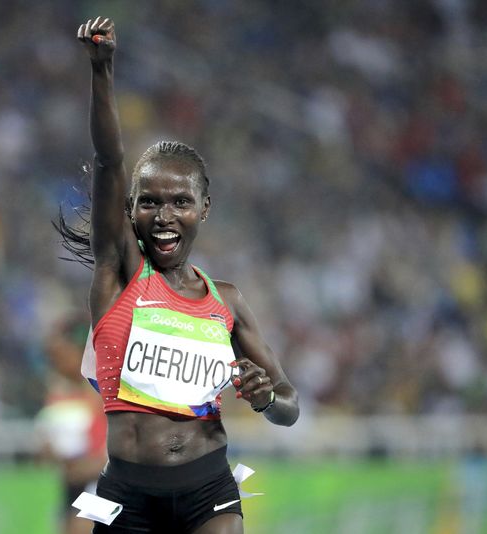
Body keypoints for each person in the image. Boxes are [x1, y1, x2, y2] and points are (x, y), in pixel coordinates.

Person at [59, 17, 300, 534]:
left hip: (208, 489)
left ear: (204, 209)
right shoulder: (118, 275)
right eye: (149, 203)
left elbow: (289, 406)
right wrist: (102, 71)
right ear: (130, 210)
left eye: (180, 202)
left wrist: (265, 399)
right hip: (128, 493)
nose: (164, 216)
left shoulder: (227, 301)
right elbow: (108, 159)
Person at [35, 315, 108, 534]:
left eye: (59, 355)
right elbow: (47, 451)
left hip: (106, 486)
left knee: (79, 527)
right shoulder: (59, 395)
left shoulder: (107, 391)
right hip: (72, 486)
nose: (54, 362)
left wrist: (95, 464)